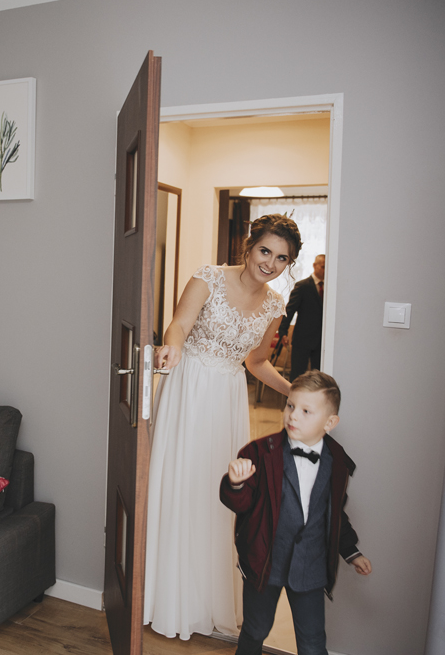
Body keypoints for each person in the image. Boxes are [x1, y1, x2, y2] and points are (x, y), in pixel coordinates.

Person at [143, 214, 302, 639]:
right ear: (249, 246)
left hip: (228, 398)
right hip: (188, 387)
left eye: (282, 258)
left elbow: (256, 362)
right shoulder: (208, 277)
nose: (270, 263)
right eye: (265, 250)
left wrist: (294, 392)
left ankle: (205, 599)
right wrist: (173, 348)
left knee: (219, 492)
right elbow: (179, 324)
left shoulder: (275, 306)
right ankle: (165, 596)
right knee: (180, 483)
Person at [220, 371, 372, 655]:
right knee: (255, 629)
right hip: (265, 562)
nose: (293, 416)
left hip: (310, 567)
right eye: (290, 405)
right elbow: (241, 504)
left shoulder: (337, 462)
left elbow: (335, 514)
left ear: (330, 422)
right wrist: (236, 483)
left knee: (313, 641)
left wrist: (352, 552)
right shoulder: (259, 452)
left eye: (305, 411)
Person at [277, 254, 325, 381]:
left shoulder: (330, 288)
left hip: (321, 341)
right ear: (314, 266)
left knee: (318, 377)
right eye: (323, 267)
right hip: (302, 340)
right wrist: (283, 332)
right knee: (297, 376)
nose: (325, 270)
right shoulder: (303, 286)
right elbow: (290, 310)